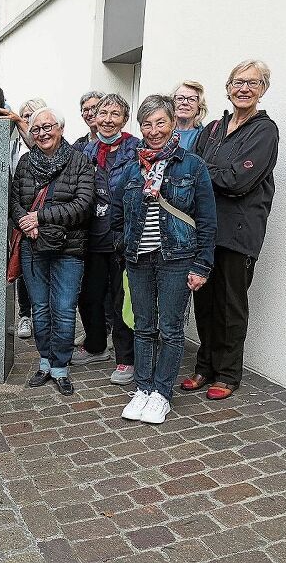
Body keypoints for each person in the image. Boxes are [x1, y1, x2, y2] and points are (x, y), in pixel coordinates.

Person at [112, 95, 216, 423]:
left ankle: (161, 393)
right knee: (143, 327)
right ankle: (142, 389)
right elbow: (118, 215)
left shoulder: (192, 165)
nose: (154, 130)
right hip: (139, 259)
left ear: (172, 123)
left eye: (160, 122)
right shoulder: (132, 168)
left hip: (177, 258)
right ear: (139, 127)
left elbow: (208, 219)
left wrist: (202, 264)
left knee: (170, 330)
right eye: (147, 123)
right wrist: (124, 247)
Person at [182, 59, 279, 400]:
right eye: (239, 82)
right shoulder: (212, 129)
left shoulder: (265, 131)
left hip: (239, 233)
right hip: (206, 230)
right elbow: (189, 168)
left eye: (253, 83)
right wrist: (209, 172)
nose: (244, 89)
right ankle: (204, 367)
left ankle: (227, 373)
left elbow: (239, 180)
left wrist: (205, 171)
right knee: (204, 303)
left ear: (262, 90)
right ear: (227, 88)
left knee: (231, 305)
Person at [10, 108, 95, 396]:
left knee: (63, 309)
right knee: (40, 309)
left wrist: (40, 217)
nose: (43, 133)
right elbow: (14, 200)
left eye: (48, 127)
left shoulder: (79, 160)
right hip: (33, 246)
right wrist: (26, 222)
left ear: (60, 128)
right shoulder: (24, 163)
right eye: (36, 129)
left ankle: (61, 366)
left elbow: (83, 205)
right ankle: (45, 360)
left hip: (69, 248)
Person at [74, 93, 139, 385]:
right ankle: (96, 345)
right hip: (91, 238)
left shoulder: (136, 149)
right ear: (94, 117)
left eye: (115, 114)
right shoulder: (86, 151)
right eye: (103, 113)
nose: (108, 120)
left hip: (122, 238)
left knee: (121, 299)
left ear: (124, 119)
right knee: (88, 296)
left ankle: (126, 359)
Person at [0, 98, 48, 340]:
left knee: (38, 269)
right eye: (24, 116)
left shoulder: (38, 142)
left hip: (40, 213)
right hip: (19, 211)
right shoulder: (13, 141)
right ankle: (25, 314)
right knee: (21, 264)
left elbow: (35, 144)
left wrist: (18, 120)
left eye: (32, 117)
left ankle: (41, 315)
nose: (27, 120)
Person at [171, 81, 208, 151]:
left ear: (199, 107)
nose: (185, 103)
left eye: (191, 99)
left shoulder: (206, 137)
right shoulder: (161, 131)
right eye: (180, 98)